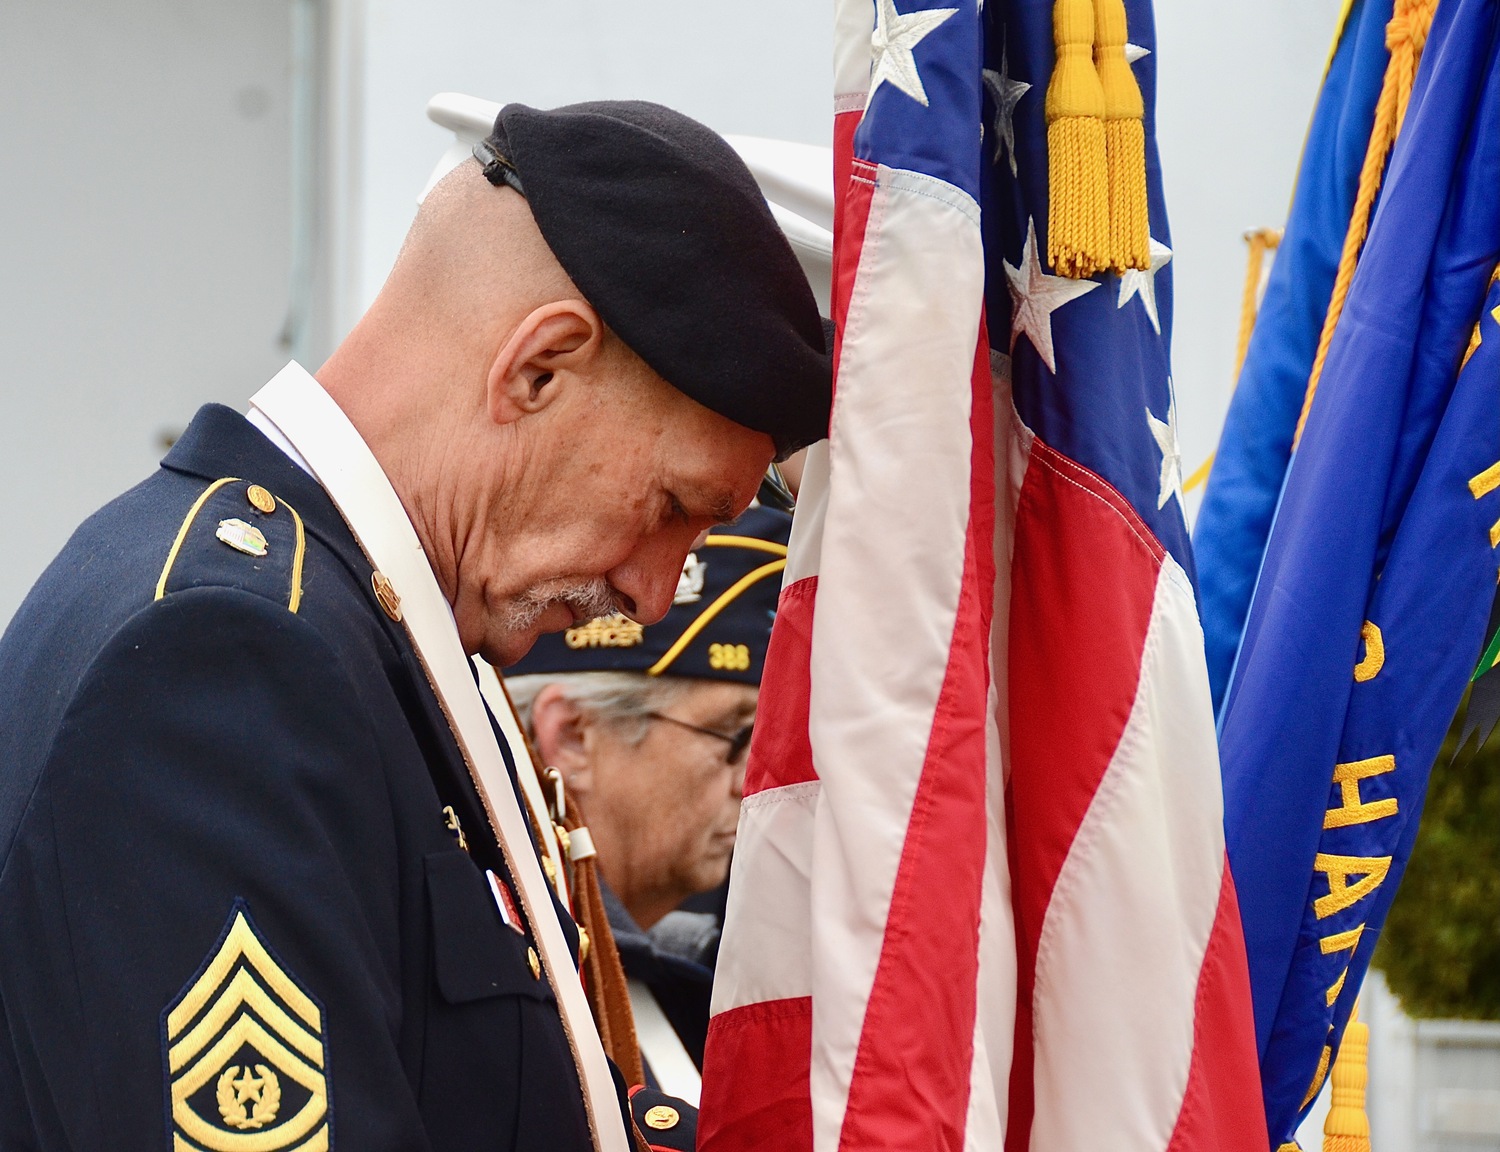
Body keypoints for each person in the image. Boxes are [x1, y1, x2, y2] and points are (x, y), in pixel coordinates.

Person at [0, 100, 827, 1152]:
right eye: (672, 510)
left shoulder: (359, 636)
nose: (657, 595)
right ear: (539, 368)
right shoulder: (225, 662)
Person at [506, 504, 791, 1089]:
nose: (753, 782)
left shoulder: (695, 984)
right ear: (573, 736)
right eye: (736, 734)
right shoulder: (517, 985)